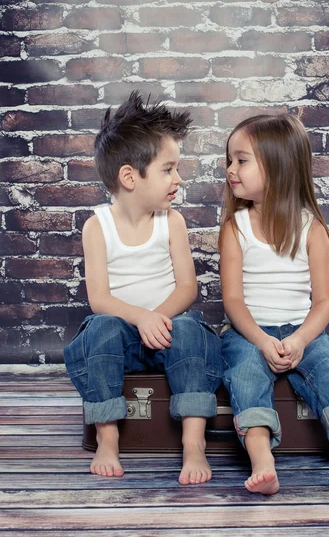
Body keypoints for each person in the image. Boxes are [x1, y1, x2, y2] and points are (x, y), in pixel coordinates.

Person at [218, 112, 329, 495]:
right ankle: (263, 462)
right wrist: (262, 342)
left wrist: (299, 340)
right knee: (246, 375)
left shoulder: (311, 228)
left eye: (242, 160)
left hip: (304, 331)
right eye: (229, 160)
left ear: (278, 165)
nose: (231, 169)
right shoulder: (236, 228)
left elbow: (324, 303)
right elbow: (233, 300)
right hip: (250, 333)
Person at [64, 91, 222, 485]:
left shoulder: (172, 222)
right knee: (98, 328)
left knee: (190, 328)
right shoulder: (97, 226)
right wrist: (140, 318)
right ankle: (107, 436)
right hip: (124, 336)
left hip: (168, 330)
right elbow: (99, 298)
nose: (178, 179)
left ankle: (193, 442)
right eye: (168, 169)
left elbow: (187, 288)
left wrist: (158, 318)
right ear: (130, 177)